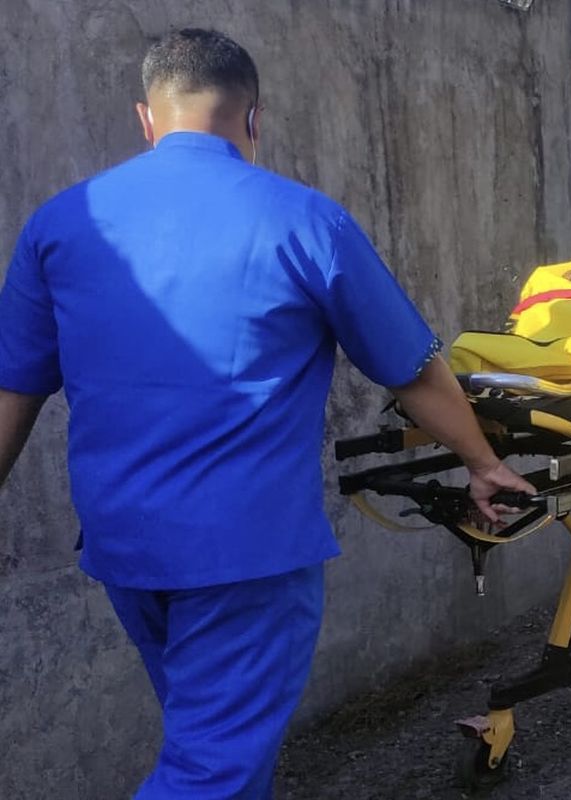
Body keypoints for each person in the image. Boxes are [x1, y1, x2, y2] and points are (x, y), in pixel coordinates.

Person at [0, 29, 534, 798]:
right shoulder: (304, 221)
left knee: (212, 742)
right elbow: (409, 367)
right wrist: (483, 463)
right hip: (244, 554)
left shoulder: (60, 224)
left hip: (125, 546)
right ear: (254, 119)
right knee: (210, 768)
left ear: (145, 120)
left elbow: (14, 387)